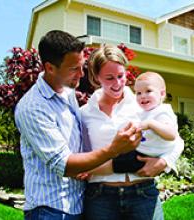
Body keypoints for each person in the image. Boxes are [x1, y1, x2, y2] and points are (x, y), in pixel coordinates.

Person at [14, 30, 142, 220]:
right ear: (49, 68)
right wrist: (114, 149)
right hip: (49, 210)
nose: (81, 75)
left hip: (77, 204)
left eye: (82, 67)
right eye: (74, 69)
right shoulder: (33, 108)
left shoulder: (67, 93)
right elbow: (65, 165)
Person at [81, 45, 184, 220]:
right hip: (101, 196)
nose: (117, 83)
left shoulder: (142, 102)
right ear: (96, 77)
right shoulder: (85, 113)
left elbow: (177, 140)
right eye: (109, 78)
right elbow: (83, 154)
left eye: (121, 76)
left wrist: (164, 162)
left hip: (142, 193)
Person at [89, 71, 180, 175]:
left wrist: (151, 124)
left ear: (162, 94)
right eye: (138, 93)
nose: (143, 96)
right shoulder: (143, 111)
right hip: (142, 151)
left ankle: (89, 172)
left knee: (117, 164)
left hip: (148, 155)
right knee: (118, 158)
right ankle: (89, 170)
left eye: (148, 91)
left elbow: (172, 135)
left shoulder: (162, 111)